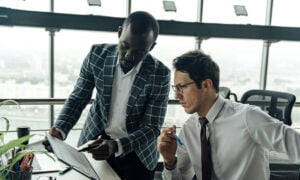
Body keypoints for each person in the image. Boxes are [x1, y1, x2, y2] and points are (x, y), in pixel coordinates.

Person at [49, 11, 170, 180]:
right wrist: (59, 130)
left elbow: (152, 127)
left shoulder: (160, 74)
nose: (129, 56)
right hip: (96, 141)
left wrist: (117, 145)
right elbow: (78, 98)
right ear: (119, 33)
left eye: (139, 51)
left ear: (151, 47)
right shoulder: (97, 55)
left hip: (138, 153)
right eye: (125, 46)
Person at [157, 50, 300, 180]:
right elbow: (181, 178)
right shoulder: (190, 128)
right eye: (175, 88)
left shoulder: (248, 117)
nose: (177, 95)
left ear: (206, 85)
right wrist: (170, 161)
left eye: (182, 87)